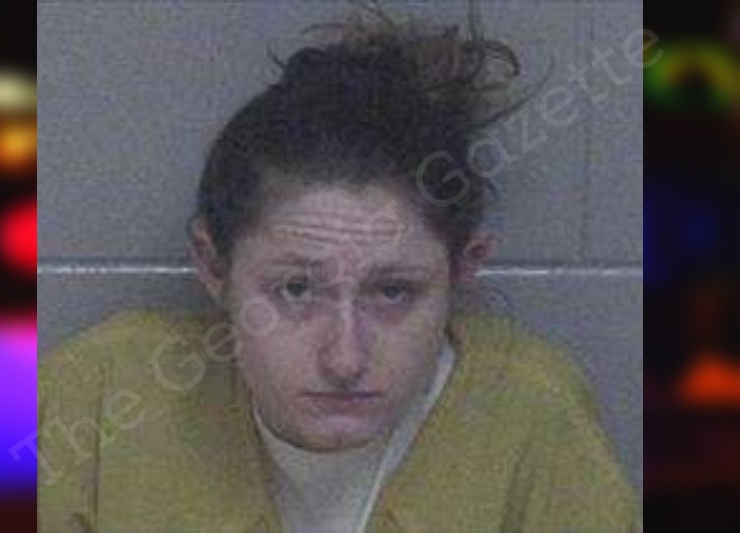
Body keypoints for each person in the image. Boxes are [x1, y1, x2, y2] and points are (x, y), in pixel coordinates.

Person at [38, 4, 641, 531]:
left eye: (394, 292)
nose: (345, 359)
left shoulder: (532, 422)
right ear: (213, 265)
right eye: (296, 289)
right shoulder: (101, 400)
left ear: (463, 270)